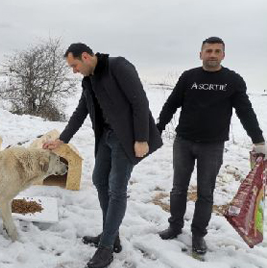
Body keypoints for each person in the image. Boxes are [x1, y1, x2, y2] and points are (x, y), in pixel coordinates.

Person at [43, 43, 162, 268]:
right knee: (99, 180)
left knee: (117, 189)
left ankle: (106, 247)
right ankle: (112, 235)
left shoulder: (118, 66)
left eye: (75, 65)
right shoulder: (88, 80)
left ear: (86, 56)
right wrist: (62, 139)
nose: (74, 70)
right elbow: (81, 111)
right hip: (106, 137)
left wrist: (141, 138)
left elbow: (140, 101)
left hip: (126, 139)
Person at [156, 37, 266, 254]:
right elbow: (171, 103)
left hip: (213, 146)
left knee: (206, 192)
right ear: (201, 54)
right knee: (179, 188)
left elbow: (245, 111)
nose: (213, 54)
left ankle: (198, 234)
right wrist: (157, 128)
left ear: (223, 55)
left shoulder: (233, 80)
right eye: (209, 51)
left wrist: (258, 140)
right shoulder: (189, 77)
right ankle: (175, 226)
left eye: (217, 51)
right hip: (184, 142)